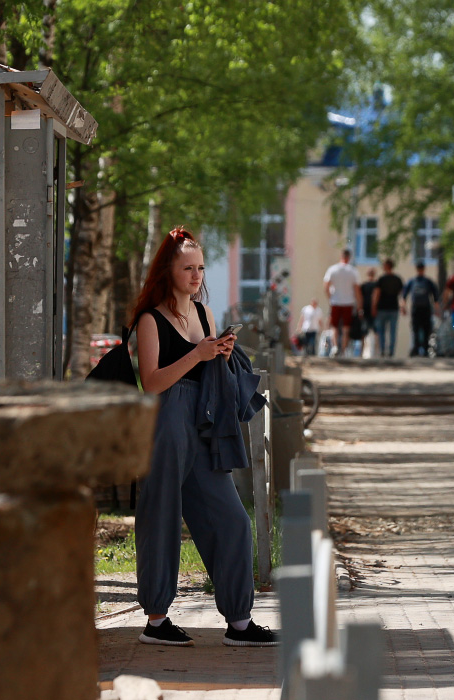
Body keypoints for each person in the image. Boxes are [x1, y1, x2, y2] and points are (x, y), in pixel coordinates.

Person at [131, 226, 278, 648]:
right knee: (160, 515)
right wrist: (197, 354)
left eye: (199, 268)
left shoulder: (204, 314)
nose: (196, 276)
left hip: (203, 420)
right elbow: (152, 382)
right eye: (187, 268)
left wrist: (220, 354)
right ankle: (156, 620)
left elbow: (205, 366)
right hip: (164, 420)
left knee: (231, 518)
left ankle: (240, 622)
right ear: (168, 270)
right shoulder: (150, 318)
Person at [323, 249, 362, 356]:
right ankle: (343, 350)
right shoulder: (353, 271)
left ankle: (335, 347)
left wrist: (330, 298)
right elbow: (357, 290)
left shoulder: (332, 269)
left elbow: (326, 286)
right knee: (346, 328)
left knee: (334, 326)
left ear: (341, 256)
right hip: (348, 302)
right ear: (349, 258)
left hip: (335, 301)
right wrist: (359, 305)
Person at [402, 261, 440, 357]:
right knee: (415, 329)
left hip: (426, 309)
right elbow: (404, 294)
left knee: (426, 329)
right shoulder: (412, 281)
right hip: (416, 309)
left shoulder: (428, 281)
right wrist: (403, 306)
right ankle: (416, 348)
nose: (420, 270)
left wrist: (436, 309)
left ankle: (426, 349)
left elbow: (435, 296)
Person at [371, 259, 404, 358]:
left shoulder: (381, 279)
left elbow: (376, 294)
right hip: (394, 308)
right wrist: (402, 306)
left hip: (382, 308)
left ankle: (382, 351)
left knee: (382, 331)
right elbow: (401, 295)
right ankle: (391, 352)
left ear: (387, 266)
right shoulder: (397, 279)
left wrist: (373, 306)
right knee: (393, 331)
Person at [359, 268, 378, 357]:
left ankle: (361, 352)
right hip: (374, 311)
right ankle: (377, 352)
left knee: (364, 332)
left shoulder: (364, 285)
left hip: (366, 310)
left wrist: (360, 309)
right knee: (376, 332)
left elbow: (360, 299)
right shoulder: (376, 285)